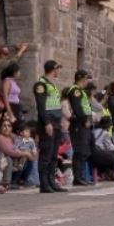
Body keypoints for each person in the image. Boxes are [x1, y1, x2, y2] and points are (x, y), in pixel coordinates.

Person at [33, 60, 64, 192]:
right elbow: (41, 106)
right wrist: (47, 123)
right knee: (46, 153)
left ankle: (52, 181)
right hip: (48, 123)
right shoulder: (41, 84)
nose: (59, 71)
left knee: (53, 154)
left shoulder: (52, 85)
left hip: (56, 122)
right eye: (58, 68)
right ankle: (44, 183)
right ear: (53, 69)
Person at [65, 71, 97, 187]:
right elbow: (77, 108)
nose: (87, 81)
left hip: (85, 124)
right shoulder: (75, 90)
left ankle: (81, 176)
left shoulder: (81, 91)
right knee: (80, 151)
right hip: (79, 124)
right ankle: (77, 177)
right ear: (81, 79)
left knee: (86, 151)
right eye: (86, 79)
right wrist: (85, 120)